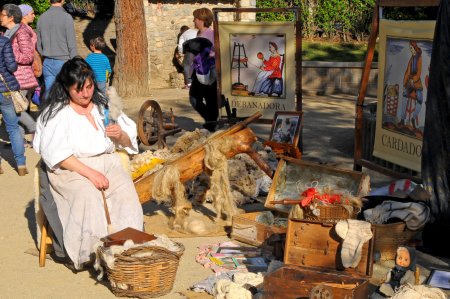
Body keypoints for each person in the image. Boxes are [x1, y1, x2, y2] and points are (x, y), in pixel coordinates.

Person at [33, 57, 143, 269]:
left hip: (107, 162)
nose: (85, 94)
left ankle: (126, 246)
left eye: (89, 87)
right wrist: (91, 174)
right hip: (71, 168)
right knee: (88, 195)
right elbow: (57, 155)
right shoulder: (56, 113)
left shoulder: (103, 106)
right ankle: (92, 253)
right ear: (66, 88)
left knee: (126, 192)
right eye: (78, 90)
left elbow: (128, 141)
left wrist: (120, 135)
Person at [1, 4, 38, 147]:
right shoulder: (9, 32)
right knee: (16, 110)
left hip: (22, 78)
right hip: (12, 77)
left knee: (15, 109)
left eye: (2, 15)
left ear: (11, 18)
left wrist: (8, 54)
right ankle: (20, 140)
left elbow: (28, 57)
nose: (0, 18)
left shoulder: (21, 32)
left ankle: (35, 129)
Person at [36, 0, 77, 100]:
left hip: (47, 61)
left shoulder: (42, 17)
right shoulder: (67, 17)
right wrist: (74, 62)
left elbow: (39, 45)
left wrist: (45, 54)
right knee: (65, 95)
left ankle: (49, 114)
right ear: (62, 0)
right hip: (64, 61)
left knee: (49, 95)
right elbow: (71, 43)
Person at [0, 34, 28, 176]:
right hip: (5, 90)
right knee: (13, 127)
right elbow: (11, 66)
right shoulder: (4, 41)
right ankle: (21, 164)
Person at [188, 7, 218, 132]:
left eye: (195, 18)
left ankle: (211, 122)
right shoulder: (199, 34)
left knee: (209, 98)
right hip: (198, 69)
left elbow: (213, 52)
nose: (193, 20)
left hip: (208, 69)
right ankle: (211, 120)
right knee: (195, 98)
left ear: (201, 20)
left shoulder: (210, 34)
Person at [399, 41, 423, 129]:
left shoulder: (419, 58)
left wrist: (413, 80)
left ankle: (413, 118)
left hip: (417, 82)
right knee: (404, 95)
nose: (411, 50)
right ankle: (402, 119)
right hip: (410, 82)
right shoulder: (411, 58)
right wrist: (405, 83)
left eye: (411, 48)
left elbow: (419, 72)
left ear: (415, 48)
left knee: (420, 100)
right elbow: (407, 71)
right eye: (410, 48)